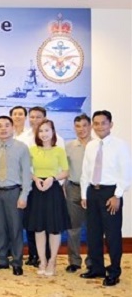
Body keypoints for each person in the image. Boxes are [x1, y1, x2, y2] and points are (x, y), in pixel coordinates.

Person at [79, 110, 131, 287]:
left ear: (111, 125)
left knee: (112, 236)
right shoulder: (91, 146)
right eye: (97, 123)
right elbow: (85, 171)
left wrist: (117, 195)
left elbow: (126, 173)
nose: (100, 126)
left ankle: (114, 271)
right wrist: (84, 194)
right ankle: (97, 268)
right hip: (92, 192)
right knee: (93, 234)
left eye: (103, 123)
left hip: (111, 194)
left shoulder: (120, 145)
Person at [0, 116, 31, 276]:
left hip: (14, 192)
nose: (3, 129)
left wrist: (24, 194)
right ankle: (1, 260)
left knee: (15, 229)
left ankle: (17, 262)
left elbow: (26, 173)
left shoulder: (22, 148)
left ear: (12, 128)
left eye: (6, 125)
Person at [26, 119, 70, 276]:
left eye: (47, 130)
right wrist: (35, 178)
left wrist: (53, 177)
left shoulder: (59, 150)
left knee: (54, 228)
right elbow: (26, 170)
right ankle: (42, 260)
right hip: (37, 190)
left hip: (53, 191)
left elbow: (66, 171)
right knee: (39, 228)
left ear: (53, 132)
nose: (44, 134)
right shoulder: (31, 150)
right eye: (41, 131)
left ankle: (52, 260)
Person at [64, 114, 92, 273]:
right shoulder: (69, 146)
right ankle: (74, 261)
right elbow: (64, 169)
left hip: (92, 190)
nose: (81, 129)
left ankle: (92, 262)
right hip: (73, 188)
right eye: (78, 126)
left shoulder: (97, 145)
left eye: (84, 125)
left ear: (90, 126)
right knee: (73, 227)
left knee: (92, 228)